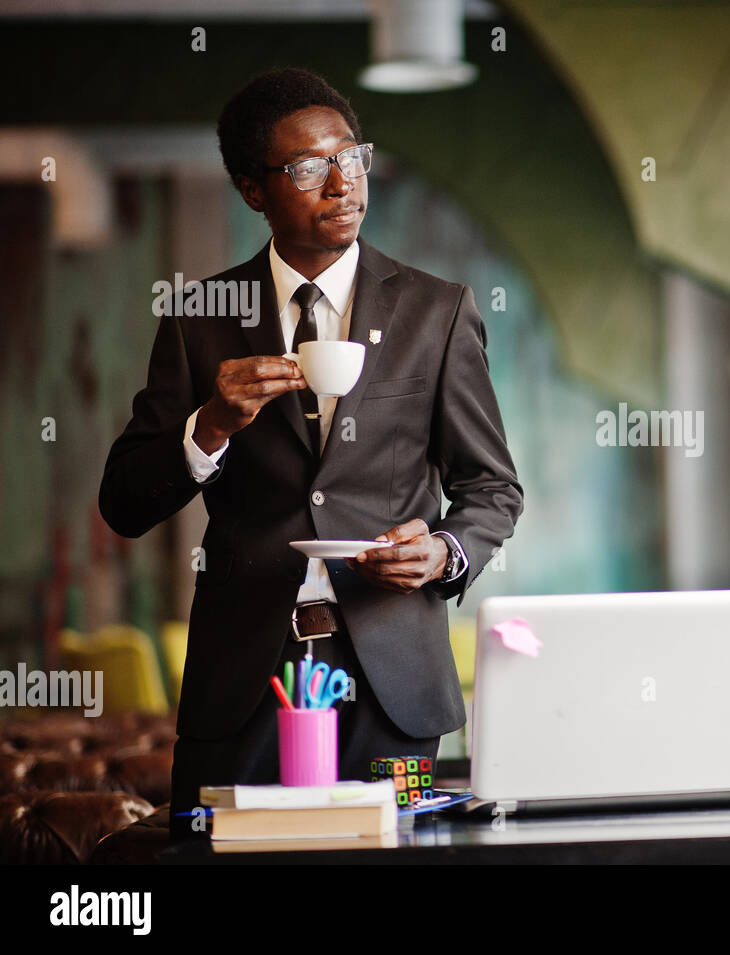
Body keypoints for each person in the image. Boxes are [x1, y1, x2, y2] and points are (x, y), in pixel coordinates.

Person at [98, 68, 523, 841]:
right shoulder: (200, 318)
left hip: (394, 685)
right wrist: (210, 425)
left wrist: (444, 550)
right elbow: (124, 502)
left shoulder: (438, 311)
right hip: (244, 684)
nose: (341, 183)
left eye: (350, 157)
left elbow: (492, 487)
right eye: (306, 167)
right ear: (252, 189)